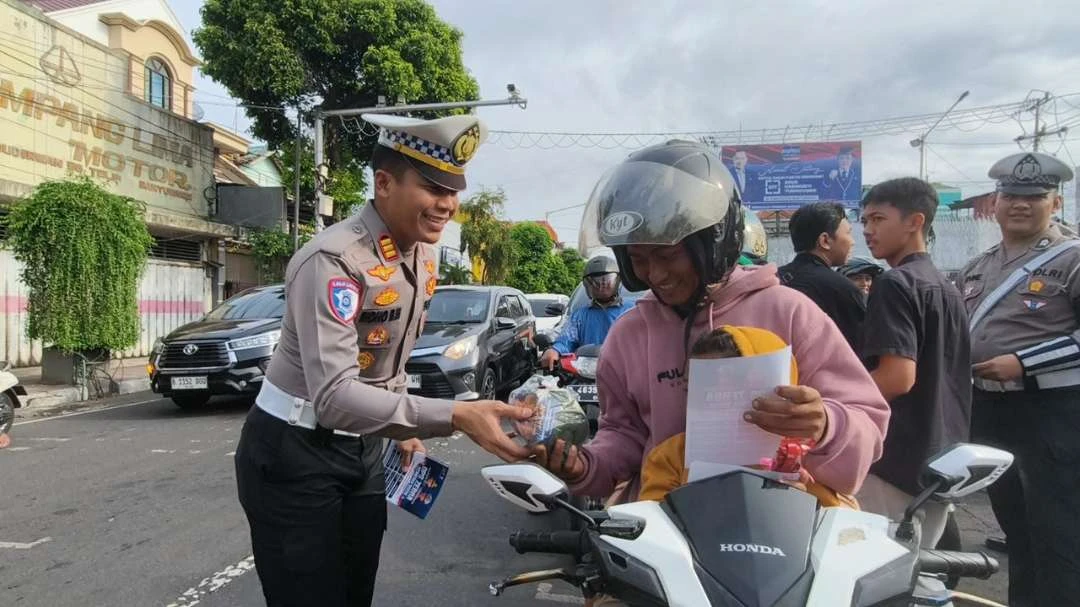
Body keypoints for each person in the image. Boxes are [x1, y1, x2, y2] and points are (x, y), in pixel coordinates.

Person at [234, 113, 531, 607]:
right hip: (295, 450)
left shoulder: (422, 256)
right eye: (433, 187)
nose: (447, 205)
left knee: (355, 593)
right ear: (385, 182)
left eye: (454, 191)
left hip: (365, 448)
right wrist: (455, 414)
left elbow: (385, 360)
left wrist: (403, 427)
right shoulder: (333, 259)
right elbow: (332, 398)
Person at [531, 140, 889, 511]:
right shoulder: (628, 335)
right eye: (638, 259)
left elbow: (868, 424)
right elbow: (624, 435)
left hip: (783, 527)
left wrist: (826, 423)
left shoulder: (790, 312)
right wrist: (586, 466)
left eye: (668, 255)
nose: (655, 274)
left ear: (714, 242)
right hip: (665, 536)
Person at [955, 151, 1080, 607]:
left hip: (1051, 414)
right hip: (991, 410)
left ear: (1056, 202)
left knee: (1060, 536)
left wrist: (1025, 362)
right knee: (1018, 531)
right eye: (1011, 195)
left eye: (1034, 196)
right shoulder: (980, 264)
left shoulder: (1072, 258)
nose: (1020, 204)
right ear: (995, 202)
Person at [856, 177, 971, 549]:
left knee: (879, 573)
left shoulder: (894, 284)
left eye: (877, 219)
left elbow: (897, 377)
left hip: (896, 464)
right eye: (864, 222)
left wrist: (836, 401)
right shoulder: (946, 287)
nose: (868, 231)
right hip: (941, 459)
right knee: (918, 573)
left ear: (915, 222)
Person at [639, 325, 858, 509]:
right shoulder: (671, 456)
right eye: (698, 387)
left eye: (735, 384)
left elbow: (845, 530)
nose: (715, 399)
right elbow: (652, 528)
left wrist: (800, 502)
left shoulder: (808, 454)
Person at [777, 202, 865, 352]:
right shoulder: (843, 290)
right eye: (848, 233)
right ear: (825, 241)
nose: (853, 241)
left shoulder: (774, 280)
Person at [540, 255, 634, 370]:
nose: (601, 285)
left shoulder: (632, 310)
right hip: (586, 372)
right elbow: (567, 339)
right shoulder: (580, 315)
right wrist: (554, 350)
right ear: (587, 285)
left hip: (626, 372)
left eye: (606, 280)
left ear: (617, 281)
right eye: (595, 282)